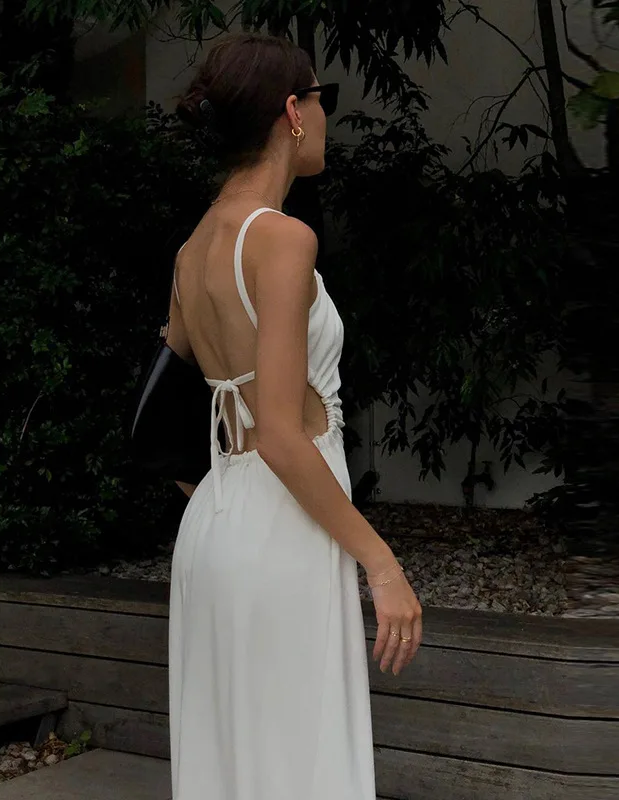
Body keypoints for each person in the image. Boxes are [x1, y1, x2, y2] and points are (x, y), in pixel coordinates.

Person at [165, 32, 422, 800]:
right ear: (293, 111)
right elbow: (280, 431)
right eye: (321, 97)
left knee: (236, 761)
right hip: (282, 530)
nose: (324, 115)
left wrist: (219, 500)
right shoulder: (281, 239)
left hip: (216, 523)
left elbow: (166, 408)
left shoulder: (194, 249)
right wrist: (381, 563)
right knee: (298, 764)